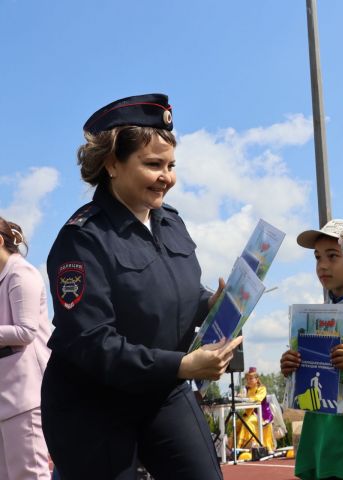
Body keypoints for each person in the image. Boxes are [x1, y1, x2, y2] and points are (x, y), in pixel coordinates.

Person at [41, 94, 243, 480]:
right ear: (112, 163)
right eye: (153, 164)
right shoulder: (82, 238)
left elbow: (174, 294)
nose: (167, 177)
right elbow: (90, 341)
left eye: (171, 165)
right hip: (93, 403)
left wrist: (211, 304)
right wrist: (182, 365)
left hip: (163, 390)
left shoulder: (171, 222)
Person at [281, 219, 343, 480]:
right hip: (322, 445)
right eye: (317, 257)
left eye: (333, 256)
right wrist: (291, 366)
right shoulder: (312, 318)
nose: (322, 265)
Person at [0, 219, 52, 480]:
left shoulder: (21, 273)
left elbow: (26, 330)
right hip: (8, 395)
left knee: (29, 475)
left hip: (26, 394)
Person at [230, 367, 275, 451]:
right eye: (247, 379)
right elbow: (244, 399)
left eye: (251, 378)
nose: (248, 381)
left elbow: (257, 399)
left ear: (257, 379)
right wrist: (239, 396)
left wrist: (246, 398)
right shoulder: (247, 390)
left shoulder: (262, 388)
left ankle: (240, 448)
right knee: (237, 423)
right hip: (250, 415)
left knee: (247, 422)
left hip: (261, 416)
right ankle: (230, 448)